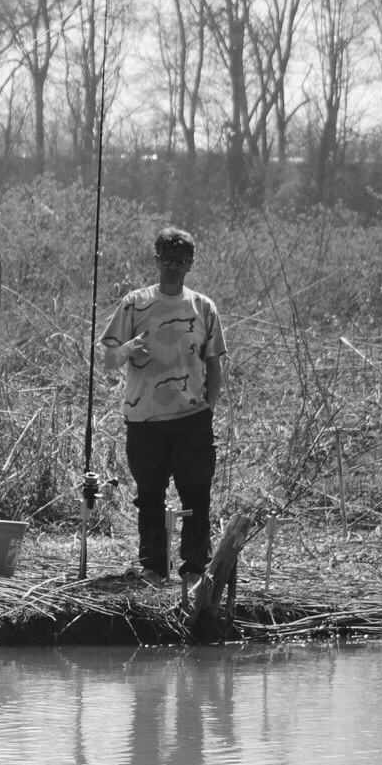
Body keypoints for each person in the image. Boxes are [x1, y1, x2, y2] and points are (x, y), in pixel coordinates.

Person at [101, 227, 226, 578]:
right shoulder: (134, 303)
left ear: (190, 264)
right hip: (145, 419)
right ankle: (154, 568)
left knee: (196, 495)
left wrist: (208, 409)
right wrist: (127, 349)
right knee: (150, 497)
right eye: (167, 260)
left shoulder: (204, 307)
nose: (173, 267)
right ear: (156, 261)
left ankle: (195, 568)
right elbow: (108, 358)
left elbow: (214, 364)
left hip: (191, 419)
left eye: (180, 261)